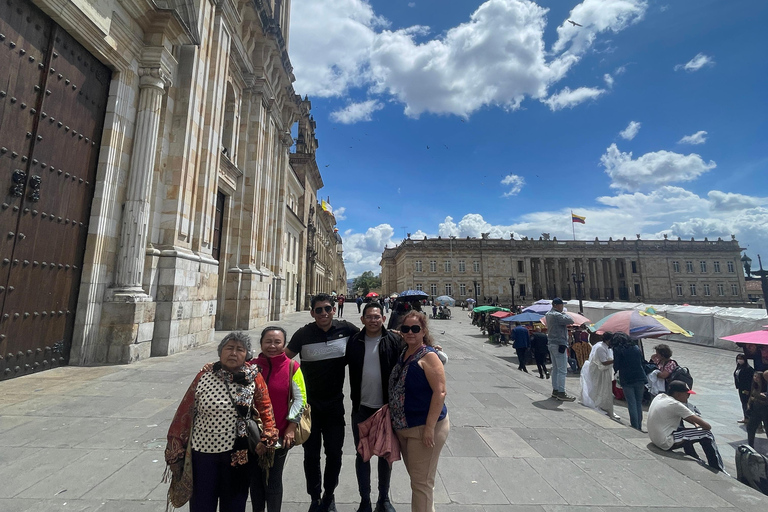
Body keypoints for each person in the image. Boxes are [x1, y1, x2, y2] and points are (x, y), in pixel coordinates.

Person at [165, 332, 278, 512]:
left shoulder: (253, 377)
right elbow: (184, 412)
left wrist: (268, 437)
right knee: (202, 504)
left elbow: (266, 409)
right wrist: (176, 446)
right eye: (229, 348)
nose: (233, 353)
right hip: (202, 454)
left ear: (247, 355)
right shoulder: (204, 375)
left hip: (238, 455)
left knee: (234, 504)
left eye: (239, 349)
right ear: (220, 352)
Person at [286, 293, 360, 512]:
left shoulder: (345, 329)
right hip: (309, 408)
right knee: (311, 455)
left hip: (335, 405)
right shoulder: (303, 334)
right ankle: (314, 497)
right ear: (312, 313)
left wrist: (414, 342)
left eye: (327, 309)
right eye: (318, 310)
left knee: (335, 453)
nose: (324, 313)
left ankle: (329, 494)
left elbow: (373, 337)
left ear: (333, 310)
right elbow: (283, 359)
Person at [389, 311, 449, 512]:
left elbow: (440, 392)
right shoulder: (406, 351)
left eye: (415, 329)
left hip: (424, 427)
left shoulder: (429, 356)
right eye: (406, 329)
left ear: (423, 331)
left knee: (421, 484)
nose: (410, 332)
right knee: (420, 480)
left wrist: (429, 428)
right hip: (405, 427)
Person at [347, 302, 402, 512]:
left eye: (377, 316)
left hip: (386, 408)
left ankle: (383, 498)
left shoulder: (395, 340)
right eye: (369, 317)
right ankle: (364, 500)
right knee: (362, 454)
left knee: (385, 454)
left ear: (383, 319)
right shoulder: (354, 341)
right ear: (362, 320)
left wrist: (436, 352)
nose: (373, 320)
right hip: (362, 407)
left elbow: (414, 355)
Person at [251, 327, 308, 512]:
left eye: (277, 342)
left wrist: (291, 427)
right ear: (261, 343)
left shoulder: (292, 367)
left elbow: (301, 399)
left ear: (284, 345)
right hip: (253, 435)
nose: (272, 346)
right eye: (268, 341)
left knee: (274, 479)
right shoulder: (251, 366)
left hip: (281, 433)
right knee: (256, 480)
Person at [647, 380, 724, 471]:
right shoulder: (676, 404)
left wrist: (695, 424)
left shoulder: (660, 397)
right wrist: (698, 425)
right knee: (706, 434)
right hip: (664, 442)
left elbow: (685, 416)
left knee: (686, 433)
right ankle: (717, 467)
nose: (688, 397)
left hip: (654, 438)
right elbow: (707, 426)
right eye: (687, 394)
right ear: (678, 394)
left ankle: (693, 455)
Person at [612, 333, 647, 431]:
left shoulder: (618, 350)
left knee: (631, 402)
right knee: (638, 402)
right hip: (640, 376)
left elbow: (616, 365)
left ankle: (635, 426)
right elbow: (642, 361)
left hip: (627, 378)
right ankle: (639, 425)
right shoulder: (635, 347)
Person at [579, 332, 617, 420]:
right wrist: (614, 360)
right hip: (600, 372)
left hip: (605, 371)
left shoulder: (607, 347)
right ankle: (598, 403)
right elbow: (603, 362)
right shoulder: (600, 347)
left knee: (605, 389)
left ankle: (604, 405)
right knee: (599, 388)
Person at [545, 298, 576, 401]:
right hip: (559, 344)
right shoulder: (557, 315)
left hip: (551, 343)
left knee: (555, 369)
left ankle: (555, 390)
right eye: (561, 305)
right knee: (562, 370)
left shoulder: (548, 314)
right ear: (556, 305)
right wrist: (564, 313)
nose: (562, 307)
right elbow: (571, 320)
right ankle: (561, 392)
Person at [746, 370, 768, 448]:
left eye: (758, 377)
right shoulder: (754, 385)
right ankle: (750, 445)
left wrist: (757, 397)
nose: (756, 379)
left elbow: (764, 398)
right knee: (750, 427)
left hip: (765, 409)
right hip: (756, 409)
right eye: (755, 376)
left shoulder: (765, 386)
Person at [734, 353, 755, 423]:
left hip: (746, 389)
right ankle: (746, 418)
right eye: (738, 359)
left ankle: (749, 418)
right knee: (743, 402)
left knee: (746, 403)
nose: (739, 360)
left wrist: (748, 390)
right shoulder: (739, 367)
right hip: (740, 388)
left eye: (741, 359)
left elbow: (750, 380)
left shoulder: (749, 369)